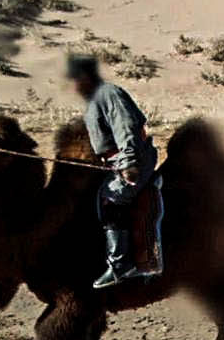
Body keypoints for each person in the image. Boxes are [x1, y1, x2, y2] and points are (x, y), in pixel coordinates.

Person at [66, 54, 160, 288]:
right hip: (114, 161)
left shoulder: (108, 94)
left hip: (135, 158)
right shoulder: (94, 100)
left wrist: (128, 164)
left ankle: (121, 265)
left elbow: (126, 127)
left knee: (112, 199)